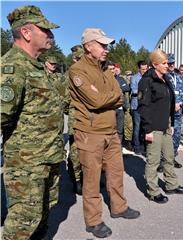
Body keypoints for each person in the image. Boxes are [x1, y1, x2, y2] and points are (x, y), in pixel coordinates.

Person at [68, 28, 140, 238]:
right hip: (90, 133)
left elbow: (119, 96)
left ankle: (119, 208)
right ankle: (93, 221)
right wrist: (105, 97)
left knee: (116, 174)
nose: (106, 49)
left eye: (107, 45)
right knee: (91, 179)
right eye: (102, 44)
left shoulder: (106, 70)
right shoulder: (77, 70)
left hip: (110, 132)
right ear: (88, 46)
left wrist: (104, 96)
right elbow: (95, 101)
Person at [1, 5, 63, 239]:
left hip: (46, 159)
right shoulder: (13, 67)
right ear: (26, 33)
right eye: (45, 30)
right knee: (22, 225)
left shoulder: (36, 66)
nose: (51, 35)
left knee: (40, 219)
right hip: (27, 166)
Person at [138, 49, 183, 204]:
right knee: (153, 161)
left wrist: (172, 123)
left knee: (169, 157)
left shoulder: (165, 79)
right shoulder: (147, 81)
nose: (168, 66)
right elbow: (143, 106)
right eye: (164, 63)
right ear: (155, 64)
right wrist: (147, 130)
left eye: (168, 63)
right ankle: (153, 191)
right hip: (153, 127)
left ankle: (171, 185)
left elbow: (170, 103)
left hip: (166, 125)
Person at [66, 44, 85, 195]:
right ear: (74, 58)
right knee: (76, 151)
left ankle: (88, 178)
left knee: (90, 151)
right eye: (79, 58)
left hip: (90, 118)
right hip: (76, 117)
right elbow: (63, 99)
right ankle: (77, 180)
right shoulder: (69, 75)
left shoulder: (89, 72)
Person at [166, 54, 183, 168]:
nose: (171, 65)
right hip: (166, 113)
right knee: (165, 136)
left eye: (172, 63)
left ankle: (172, 158)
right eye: (169, 63)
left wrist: (180, 103)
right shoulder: (163, 77)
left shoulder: (179, 77)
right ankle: (161, 161)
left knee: (177, 136)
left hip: (177, 112)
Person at [109, 63, 131, 144]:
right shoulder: (105, 79)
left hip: (120, 109)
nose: (112, 71)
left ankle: (118, 148)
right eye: (110, 69)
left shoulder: (120, 78)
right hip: (110, 109)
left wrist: (116, 88)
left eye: (113, 69)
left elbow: (127, 88)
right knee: (110, 130)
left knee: (120, 130)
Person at [130, 60, 148, 154]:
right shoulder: (134, 78)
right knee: (137, 127)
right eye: (142, 69)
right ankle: (136, 146)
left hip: (146, 106)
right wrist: (145, 91)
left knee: (144, 127)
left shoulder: (149, 77)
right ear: (139, 69)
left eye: (146, 69)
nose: (144, 71)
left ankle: (144, 146)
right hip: (136, 106)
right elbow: (134, 91)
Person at [123, 70, 134, 150]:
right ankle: (128, 141)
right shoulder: (124, 83)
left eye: (130, 74)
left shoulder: (133, 83)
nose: (129, 76)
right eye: (128, 75)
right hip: (127, 107)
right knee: (128, 124)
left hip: (133, 106)